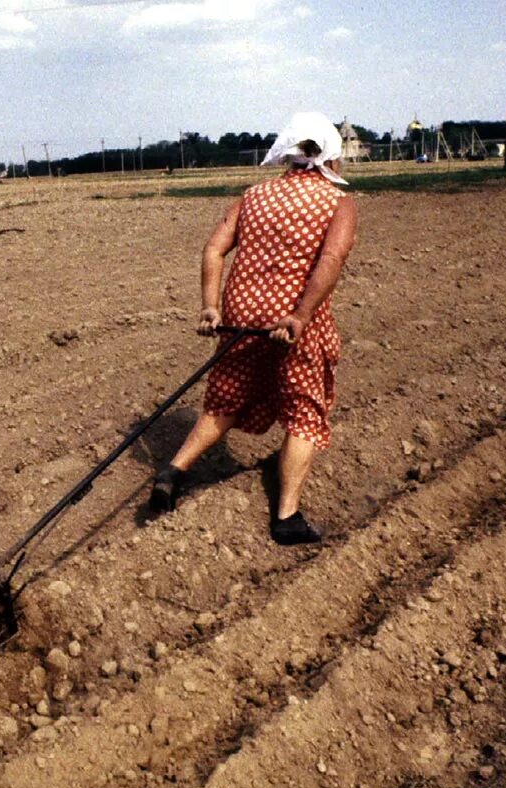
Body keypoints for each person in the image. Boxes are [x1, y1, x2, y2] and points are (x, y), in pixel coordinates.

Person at [149, 112, 357, 546]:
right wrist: (299, 317)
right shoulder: (338, 202)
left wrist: (210, 306)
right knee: (304, 409)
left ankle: (173, 471)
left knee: (226, 397)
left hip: (241, 315)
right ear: (330, 157)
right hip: (293, 322)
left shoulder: (255, 195)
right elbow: (331, 262)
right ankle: (287, 516)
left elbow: (214, 249)